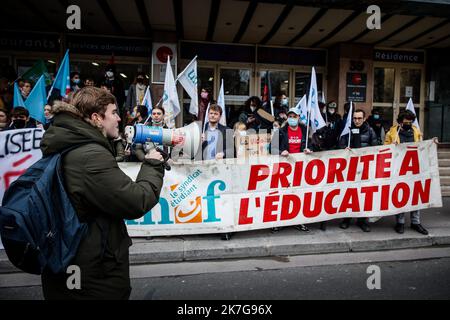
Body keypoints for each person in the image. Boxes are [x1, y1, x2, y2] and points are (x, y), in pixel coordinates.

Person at [39, 86, 165, 300]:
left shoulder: (69, 144)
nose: (119, 119)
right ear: (97, 118)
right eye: (114, 113)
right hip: (92, 272)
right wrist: (153, 165)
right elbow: (136, 200)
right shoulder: (90, 155)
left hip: (73, 262)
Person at [385, 110, 428, 235]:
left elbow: (422, 148)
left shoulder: (417, 132)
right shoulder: (391, 133)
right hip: (399, 168)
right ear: (400, 122)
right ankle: (400, 222)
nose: (408, 124)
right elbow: (384, 149)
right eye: (405, 122)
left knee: (416, 195)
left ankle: (416, 222)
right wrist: (390, 147)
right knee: (400, 195)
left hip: (415, 168)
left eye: (410, 122)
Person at [270, 107, 312, 233]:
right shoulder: (281, 131)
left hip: (300, 167)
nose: (292, 118)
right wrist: (280, 151)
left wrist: (309, 149)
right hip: (285, 168)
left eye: (295, 116)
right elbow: (271, 148)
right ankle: (280, 221)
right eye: (290, 116)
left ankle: (299, 221)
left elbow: (313, 145)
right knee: (283, 194)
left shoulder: (305, 130)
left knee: (299, 194)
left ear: (299, 118)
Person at [339, 108, 377, 232]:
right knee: (349, 194)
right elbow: (340, 146)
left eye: (359, 118)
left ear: (364, 118)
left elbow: (376, 147)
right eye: (355, 118)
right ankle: (346, 219)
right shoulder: (347, 131)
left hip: (364, 169)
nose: (357, 120)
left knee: (363, 195)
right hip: (350, 169)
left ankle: (362, 220)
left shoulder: (370, 131)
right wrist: (345, 148)